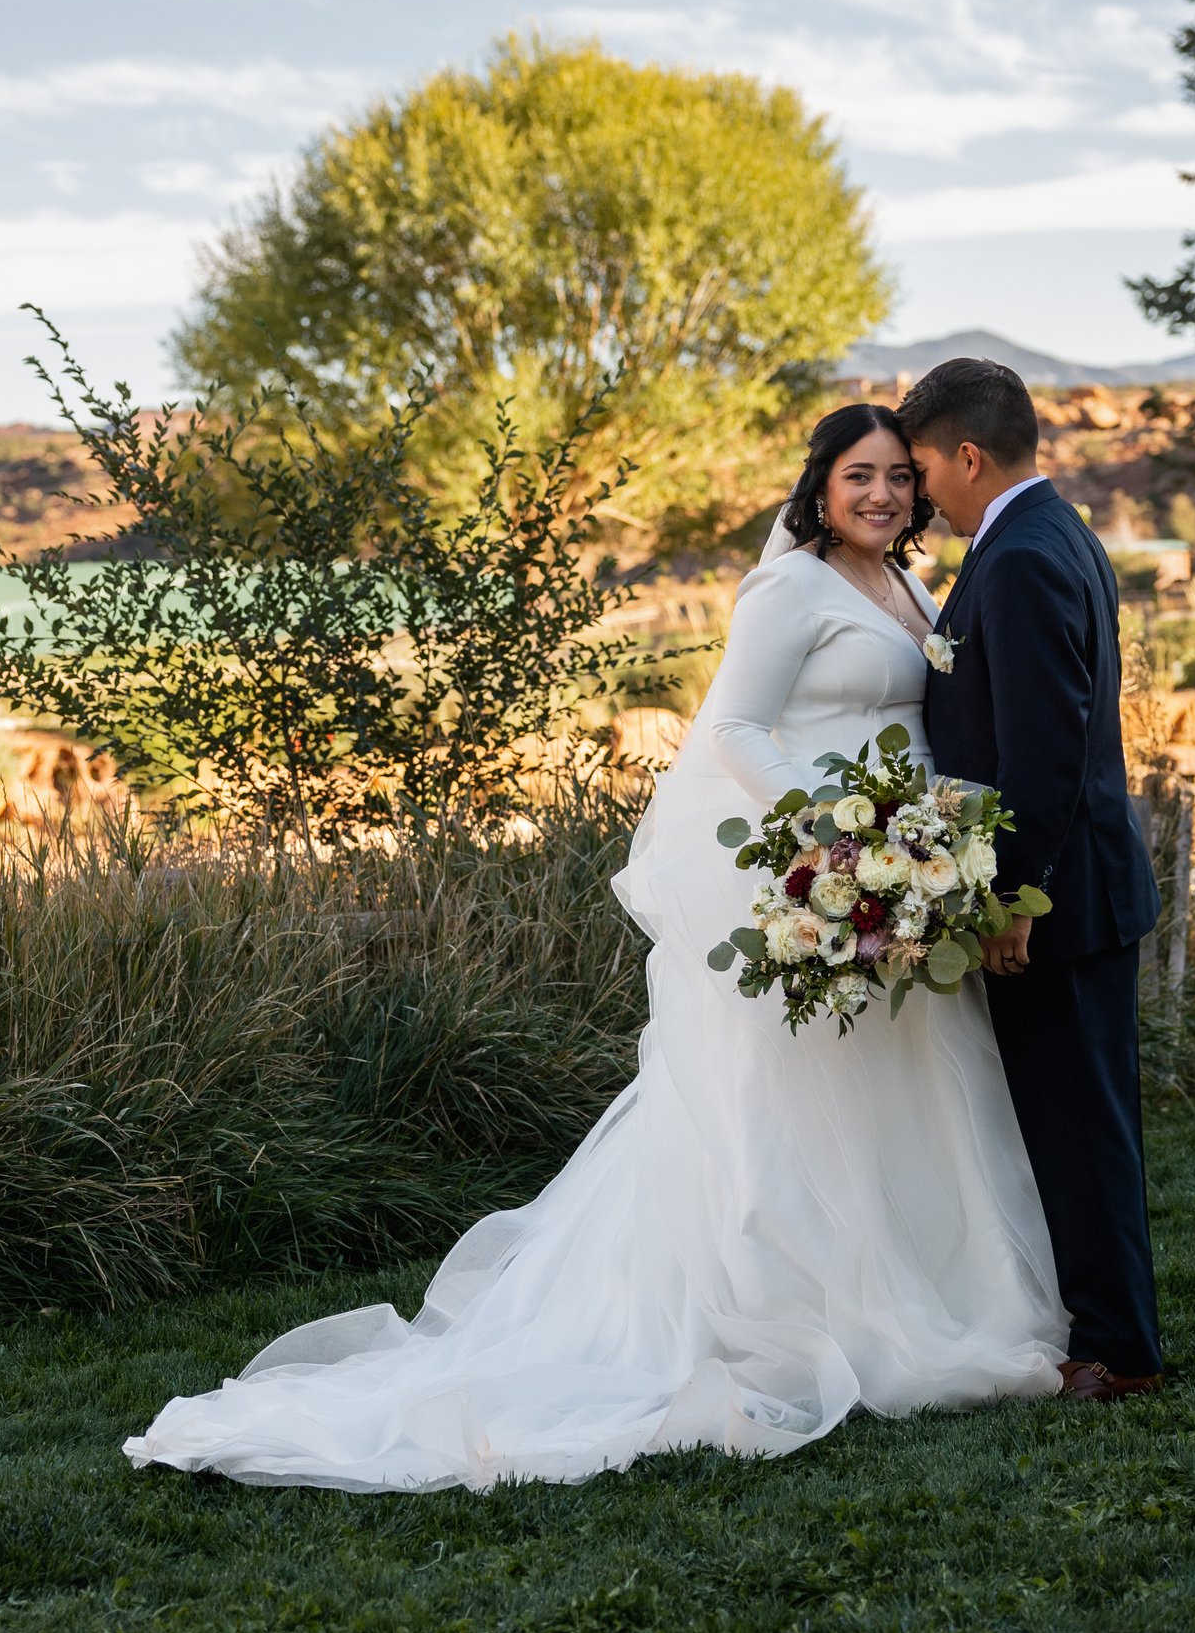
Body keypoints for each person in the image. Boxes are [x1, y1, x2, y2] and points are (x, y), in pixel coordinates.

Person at [122, 403, 1073, 1493]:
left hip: (898, 872)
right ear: (819, 485)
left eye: (901, 478)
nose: (885, 496)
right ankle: (790, 1309)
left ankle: (932, 1296)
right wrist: (836, 832)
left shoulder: (906, 589)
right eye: (861, 475)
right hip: (825, 863)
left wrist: (920, 840)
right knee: (796, 1093)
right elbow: (735, 731)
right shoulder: (788, 586)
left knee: (904, 1080)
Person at [902, 357, 1166, 1401]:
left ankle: (1120, 1352)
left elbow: (1045, 754)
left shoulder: (1014, 560)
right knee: (1081, 1119)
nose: (919, 491)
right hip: (1085, 883)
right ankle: (1107, 1326)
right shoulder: (1051, 530)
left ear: (964, 456)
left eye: (921, 467)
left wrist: (1013, 899)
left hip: (1063, 898)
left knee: (1080, 1127)